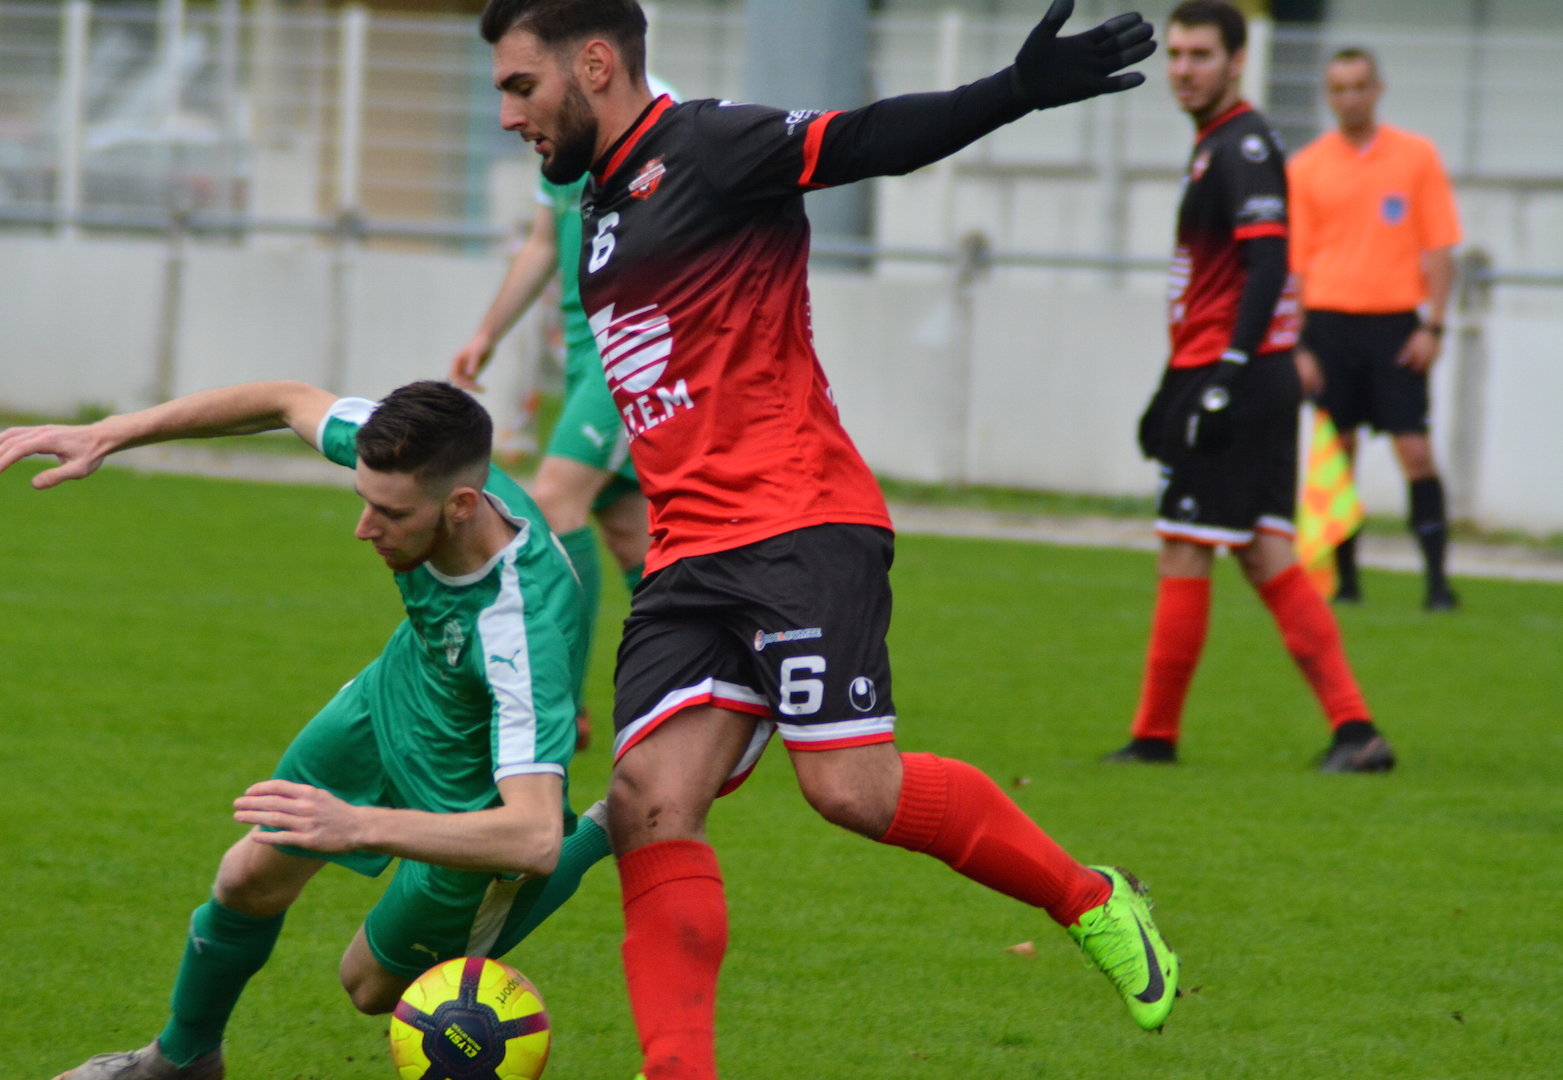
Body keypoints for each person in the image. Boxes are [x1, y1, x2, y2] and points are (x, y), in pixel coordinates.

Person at [481, 1, 1176, 1076]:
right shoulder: (601, 200)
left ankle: (1091, 899)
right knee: (646, 805)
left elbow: (865, 141)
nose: (507, 114)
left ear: (598, 64)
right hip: (685, 554)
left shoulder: (710, 145)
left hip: (797, 521)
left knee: (850, 791)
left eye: (521, 86)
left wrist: (1014, 91)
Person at [0, 381, 613, 1080]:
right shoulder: (413, 459)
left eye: (390, 513)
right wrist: (111, 432)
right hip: (393, 698)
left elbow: (532, 836)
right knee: (247, 877)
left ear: (463, 506)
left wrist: (358, 825)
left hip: (469, 788)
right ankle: (182, 1060)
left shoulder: (522, 634)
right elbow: (285, 399)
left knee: (369, 987)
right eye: (364, 499)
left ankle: (607, 828)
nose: (364, 528)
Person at [1105, 0, 1395, 774]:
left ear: (1237, 62)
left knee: (1185, 546)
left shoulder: (1243, 146)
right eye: (1176, 55)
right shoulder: (1219, 143)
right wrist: (1169, 389)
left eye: (1201, 55)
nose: (1183, 69)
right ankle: (1356, 732)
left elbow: (1268, 265)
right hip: (1232, 372)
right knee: (1266, 552)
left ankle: (1154, 738)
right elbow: (1210, 287)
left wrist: (1224, 375)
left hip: (1234, 374)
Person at [451, 155, 656, 749]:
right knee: (634, 536)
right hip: (584, 357)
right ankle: (725, 668)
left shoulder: (647, 137)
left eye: (522, 105)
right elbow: (543, 244)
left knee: (555, 501)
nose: (513, 118)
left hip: (628, 353)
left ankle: (563, 699)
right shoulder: (559, 155)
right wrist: (488, 333)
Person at [1289, 46, 1462, 610]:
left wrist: (1434, 327)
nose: (1350, 98)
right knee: (1338, 454)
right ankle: (1346, 583)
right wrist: (1299, 344)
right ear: (1328, 96)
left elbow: (1441, 247)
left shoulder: (1416, 157)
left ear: (1378, 89)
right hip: (1329, 327)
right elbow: (1294, 266)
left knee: (1415, 452)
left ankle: (1437, 582)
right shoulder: (1306, 167)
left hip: (1395, 327)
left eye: (1359, 86)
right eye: (1338, 89)